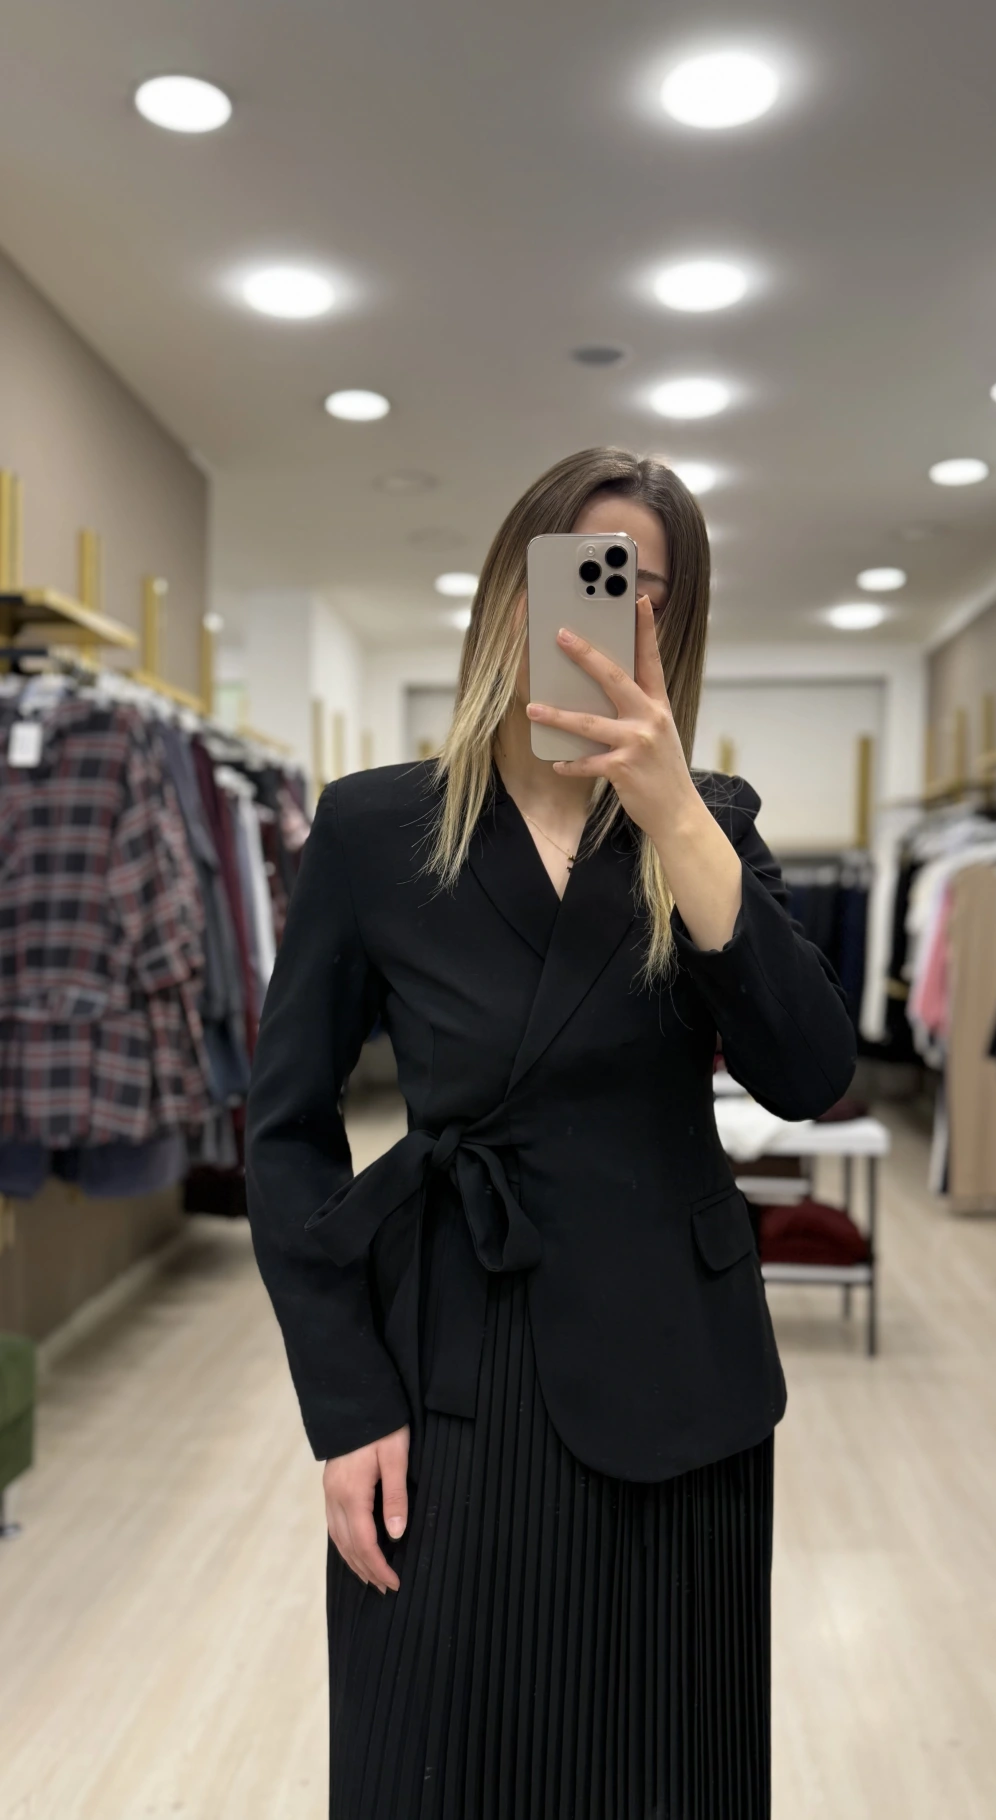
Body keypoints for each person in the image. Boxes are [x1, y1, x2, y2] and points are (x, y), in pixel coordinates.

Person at [245, 447, 857, 1819]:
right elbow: (283, 1128)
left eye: (646, 592)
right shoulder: (376, 829)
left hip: (676, 1375)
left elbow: (809, 1074)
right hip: (452, 1366)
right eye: (584, 574)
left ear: (675, 626)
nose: (607, 614)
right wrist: (345, 1400)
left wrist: (674, 811)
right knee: (435, 1755)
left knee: (665, 1768)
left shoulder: (709, 827)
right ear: (511, 592)